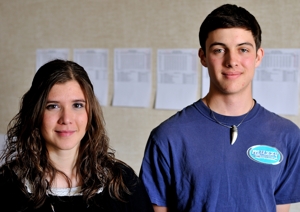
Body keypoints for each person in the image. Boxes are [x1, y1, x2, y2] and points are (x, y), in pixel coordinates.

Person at [139, 4, 300, 212]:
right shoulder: (168, 137)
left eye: (243, 49)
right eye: (219, 50)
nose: (232, 61)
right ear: (203, 57)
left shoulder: (287, 135)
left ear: (258, 57)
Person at [0, 59, 153, 212]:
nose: (66, 119)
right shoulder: (7, 187)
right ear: (35, 113)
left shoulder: (122, 182)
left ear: (90, 112)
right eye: (53, 106)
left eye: (77, 105)